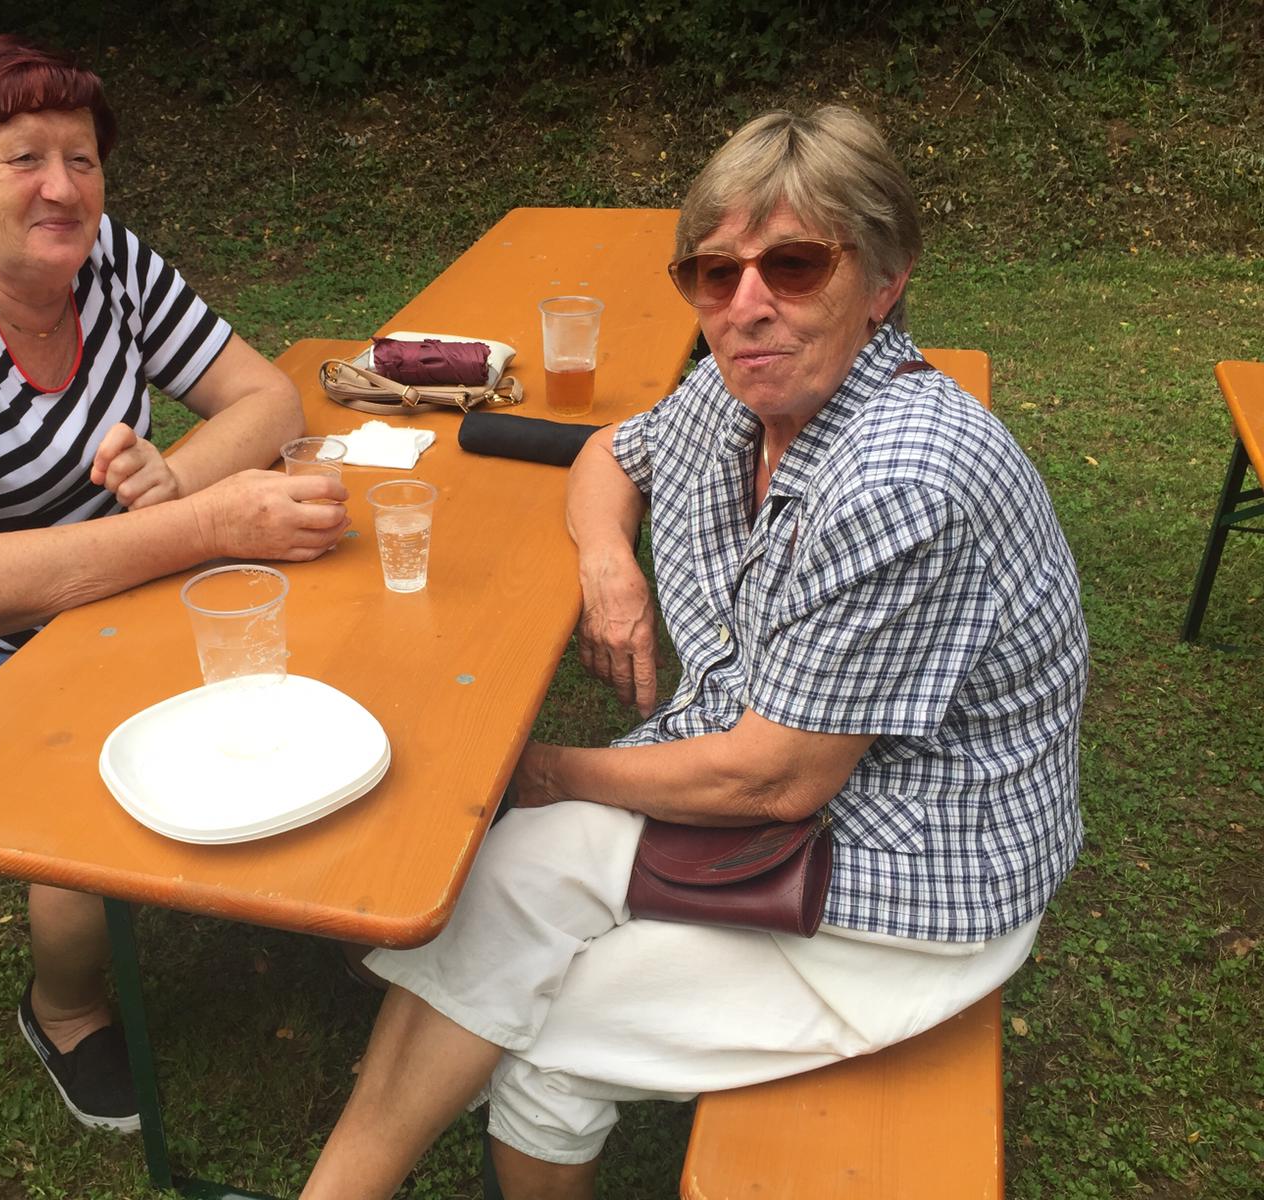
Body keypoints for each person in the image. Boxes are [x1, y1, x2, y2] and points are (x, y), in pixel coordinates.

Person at [301, 106, 1087, 1199]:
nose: (747, 305)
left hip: (910, 874)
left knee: (542, 1035)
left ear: (884, 278)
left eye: (794, 265)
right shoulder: (745, 381)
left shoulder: (899, 481)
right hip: (791, 797)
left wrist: (545, 771)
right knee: (518, 877)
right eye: (715, 274)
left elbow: (773, 782)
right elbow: (609, 455)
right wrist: (608, 564)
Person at [0, 35, 348, 1134]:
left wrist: (175, 480)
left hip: (63, 594)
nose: (62, 187)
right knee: (100, 767)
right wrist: (199, 526)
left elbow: (267, 399)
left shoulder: (106, 262)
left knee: (282, 645)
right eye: (23, 158)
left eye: (81, 158)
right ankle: (66, 1007)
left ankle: (311, 883)